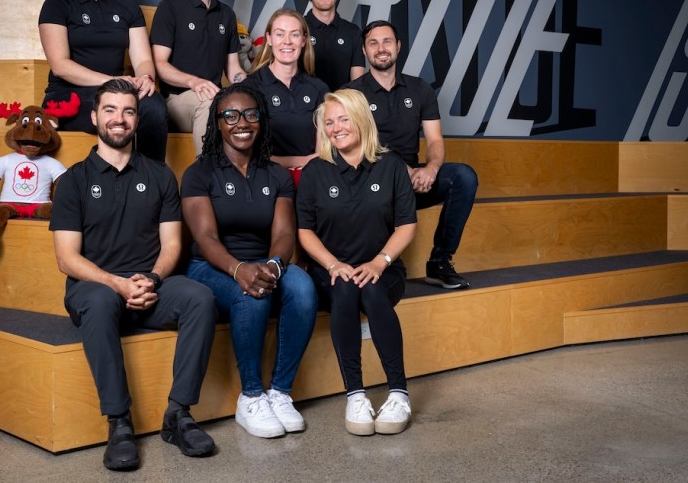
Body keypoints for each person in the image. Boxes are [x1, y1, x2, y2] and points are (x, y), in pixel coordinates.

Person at [50, 78, 217, 471]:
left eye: (127, 111)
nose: (118, 119)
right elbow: (66, 258)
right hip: (97, 288)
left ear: (138, 120)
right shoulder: (73, 180)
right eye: (109, 110)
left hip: (150, 286)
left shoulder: (160, 175)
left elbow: (172, 245)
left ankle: (178, 414)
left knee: (200, 297)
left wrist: (153, 280)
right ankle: (119, 423)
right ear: (94, 117)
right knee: (99, 298)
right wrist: (117, 283)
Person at [181, 84, 317, 438]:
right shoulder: (200, 173)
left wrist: (274, 264)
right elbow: (205, 238)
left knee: (302, 286)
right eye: (231, 115)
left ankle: (280, 392)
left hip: (263, 261)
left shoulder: (276, 174)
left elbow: (285, 233)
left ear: (262, 120)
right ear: (218, 123)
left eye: (251, 114)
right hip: (209, 267)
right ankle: (251, 396)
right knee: (251, 292)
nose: (242, 122)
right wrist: (239, 269)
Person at [296, 89, 417, 436]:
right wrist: (334, 265)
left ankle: (399, 393)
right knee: (346, 289)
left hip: (385, 267)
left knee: (374, 290)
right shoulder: (316, 172)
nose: (336, 128)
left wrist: (380, 262)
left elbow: (406, 225)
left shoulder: (391, 166)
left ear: (361, 118)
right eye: (329, 122)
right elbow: (305, 232)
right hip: (331, 270)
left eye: (343, 118)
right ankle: (356, 395)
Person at [343, 20, 478, 289]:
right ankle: (380, 266)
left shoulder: (420, 89)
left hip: (412, 180)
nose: (381, 48)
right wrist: (401, 170)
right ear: (365, 51)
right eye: (373, 43)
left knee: (463, 176)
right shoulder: (352, 93)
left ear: (398, 46)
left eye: (387, 42)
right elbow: (359, 146)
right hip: (371, 184)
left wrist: (431, 168)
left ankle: (439, 263)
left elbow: (435, 139)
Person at [38, 0, 168, 162]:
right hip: (68, 97)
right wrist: (114, 83)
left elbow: (143, 60)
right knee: (115, 107)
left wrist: (146, 79)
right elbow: (60, 66)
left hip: (114, 92)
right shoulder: (58, 3)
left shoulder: (127, 5)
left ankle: (152, 182)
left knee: (154, 104)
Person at [151, 0, 246, 154]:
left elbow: (234, 70)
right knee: (209, 102)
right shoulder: (169, 7)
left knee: (248, 104)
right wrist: (193, 82)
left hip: (215, 98)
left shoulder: (227, 14)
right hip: (177, 101)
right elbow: (159, 64)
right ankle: (206, 180)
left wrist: (255, 89)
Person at [245, 8, 328, 172]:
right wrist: (302, 160)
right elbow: (248, 153)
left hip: (310, 177)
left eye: (295, 34)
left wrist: (309, 165)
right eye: (279, 34)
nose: (287, 41)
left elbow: (322, 153)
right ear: (269, 39)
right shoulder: (249, 88)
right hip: (264, 177)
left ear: (304, 40)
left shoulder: (319, 89)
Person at [303, 0, 366, 91]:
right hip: (303, 109)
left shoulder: (353, 32)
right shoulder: (297, 28)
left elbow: (357, 86)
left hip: (342, 108)